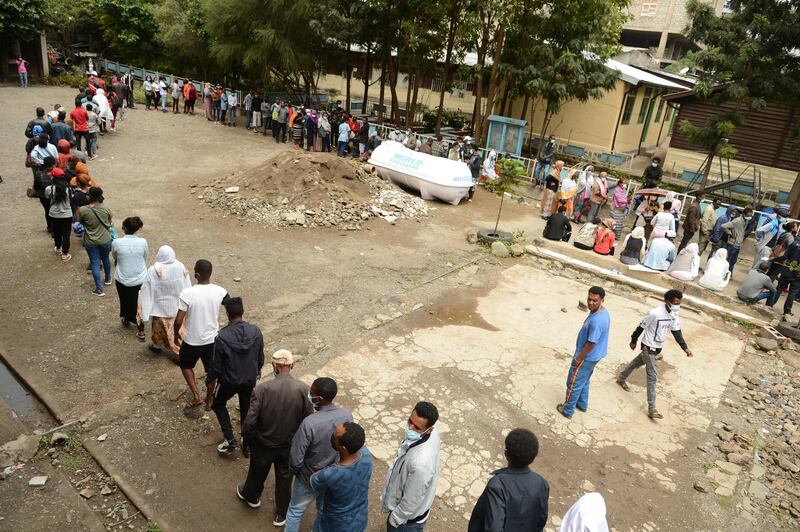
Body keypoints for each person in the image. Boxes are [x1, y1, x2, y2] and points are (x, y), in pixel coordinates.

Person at [238, 349, 312, 524]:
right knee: (285, 478)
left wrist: (246, 439)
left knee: (257, 471)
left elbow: (250, 421)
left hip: (264, 443)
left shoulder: (262, 389)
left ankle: (252, 497)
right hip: (289, 445)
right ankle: (281, 513)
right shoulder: (304, 389)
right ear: (291, 366)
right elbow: (307, 420)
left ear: (276, 366)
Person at [285, 377, 353, 532]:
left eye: (311, 392)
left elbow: (296, 459)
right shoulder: (346, 415)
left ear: (319, 399)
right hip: (333, 477)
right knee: (323, 510)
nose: (309, 394)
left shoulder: (310, 423)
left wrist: (300, 474)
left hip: (309, 477)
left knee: (295, 511)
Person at [617, 289, 694, 420]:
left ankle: (621, 378)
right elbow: (641, 327)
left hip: (658, 348)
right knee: (652, 376)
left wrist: (685, 348)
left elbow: (677, 332)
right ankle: (652, 409)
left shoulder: (674, 314)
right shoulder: (655, 313)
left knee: (636, 362)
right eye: (675, 303)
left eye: (679, 304)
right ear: (667, 301)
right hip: (648, 347)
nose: (677, 306)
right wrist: (633, 340)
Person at [173, 260, 229, 414]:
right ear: (210, 273)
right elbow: (231, 307)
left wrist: (175, 334)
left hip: (192, 340)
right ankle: (209, 399)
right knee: (211, 371)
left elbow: (178, 320)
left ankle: (197, 395)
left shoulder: (187, 293)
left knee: (185, 365)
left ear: (196, 274)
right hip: (213, 340)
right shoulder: (221, 291)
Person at [468, 428, 549, 532]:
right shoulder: (541, 483)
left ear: (506, 454)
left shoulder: (498, 485)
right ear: (533, 456)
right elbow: (541, 519)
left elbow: (493, 528)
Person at [211, 297, 264, 456]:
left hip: (229, 381)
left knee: (218, 403)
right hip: (249, 378)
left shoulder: (221, 337)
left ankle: (230, 439)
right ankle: (246, 442)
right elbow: (260, 356)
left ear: (227, 314)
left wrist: (211, 379)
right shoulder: (255, 331)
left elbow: (216, 366)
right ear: (242, 311)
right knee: (246, 407)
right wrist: (257, 369)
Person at [382, 401, 441, 531]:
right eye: (410, 421)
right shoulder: (432, 434)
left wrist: (394, 519)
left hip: (406, 523)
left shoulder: (420, 465)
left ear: (429, 430)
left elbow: (410, 502)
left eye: (416, 427)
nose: (410, 428)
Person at [557, 287, 610, 418]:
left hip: (587, 357)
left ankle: (568, 410)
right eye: (589, 299)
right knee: (584, 380)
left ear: (602, 300)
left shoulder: (597, 320)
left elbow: (592, 342)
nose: (591, 303)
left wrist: (579, 357)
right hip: (594, 356)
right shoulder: (602, 312)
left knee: (573, 383)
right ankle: (582, 404)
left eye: (595, 300)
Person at [310, 422, 373, 532]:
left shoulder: (330, 474)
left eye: (335, 438)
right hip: (360, 519)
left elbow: (313, 481)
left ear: (343, 448)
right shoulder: (367, 455)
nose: (332, 437)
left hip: (336, 525)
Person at [138, 245, 191, 354]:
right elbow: (187, 286)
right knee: (177, 330)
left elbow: (146, 290)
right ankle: (178, 350)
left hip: (160, 309)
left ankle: (157, 346)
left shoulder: (153, 270)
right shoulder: (180, 266)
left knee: (159, 331)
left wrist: (145, 310)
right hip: (177, 307)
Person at [111, 217, 148, 337]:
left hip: (122, 278)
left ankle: (126, 318)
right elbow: (144, 257)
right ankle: (141, 330)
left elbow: (115, 256)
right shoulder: (143, 242)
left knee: (125, 300)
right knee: (139, 303)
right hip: (140, 278)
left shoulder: (116, 242)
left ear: (124, 228)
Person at [44, 168, 74, 262]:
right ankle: (65, 254)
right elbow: (71, 199)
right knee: (66, 233)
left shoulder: (49, 188)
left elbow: (47, 197)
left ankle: (58, 248)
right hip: (67, 214)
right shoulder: (69, 188)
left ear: (53, 177)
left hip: (54, 214)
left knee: (56, 232)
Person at [767, 241, 800, 317]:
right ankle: (787, 311)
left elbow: (785, 257)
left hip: (787, 270)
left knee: (779, 288)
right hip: (798, 273)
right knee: (793, 292)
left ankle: (770, 304)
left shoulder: (794, 243)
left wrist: (774, 258)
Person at [721, 207, 753, 272]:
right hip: (732, 244)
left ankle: (729, 273)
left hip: (738, 244)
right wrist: (730, 233)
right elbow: (723, 226)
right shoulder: (737, 221)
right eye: (748, 215)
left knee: (733, 261)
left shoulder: (746, 221)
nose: (749, 217)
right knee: (727, 260)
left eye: (750, 216)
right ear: (744, 214)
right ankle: (723, 273)